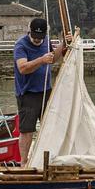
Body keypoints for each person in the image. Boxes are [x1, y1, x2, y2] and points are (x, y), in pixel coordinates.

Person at [14, 18, 64, 162]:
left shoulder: (46, 41)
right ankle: (24, 162)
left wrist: (63, 44)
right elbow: (22, 68)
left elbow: (53, 59)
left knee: (49, 127)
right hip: (27, 93)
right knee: (27, 130)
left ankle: (48, 159)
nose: (37, 40)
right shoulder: (20, 45)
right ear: (29, 32)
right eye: (34, 37)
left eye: (40, 37)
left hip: (46, 91)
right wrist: (41, 60)